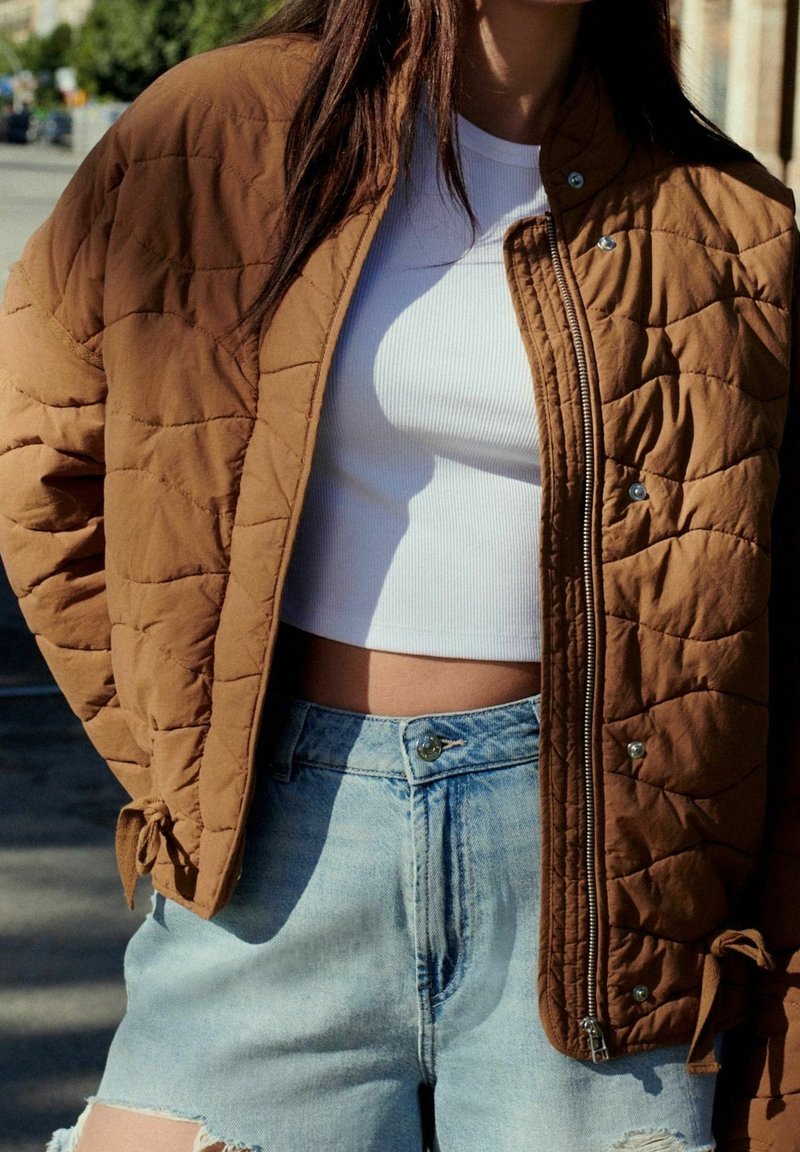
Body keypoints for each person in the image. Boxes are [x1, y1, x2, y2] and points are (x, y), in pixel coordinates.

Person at [0, 0, 797, 1148]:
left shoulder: (726, 219)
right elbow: (42, 461)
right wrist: (184, 743)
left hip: (606, 901)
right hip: (272, 859)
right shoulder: (216, 129)